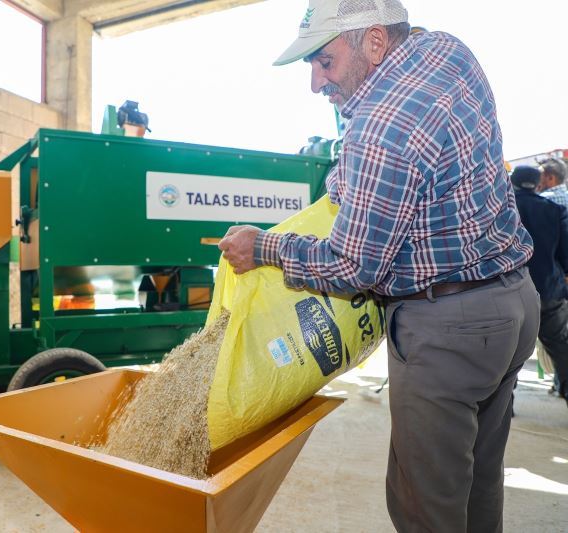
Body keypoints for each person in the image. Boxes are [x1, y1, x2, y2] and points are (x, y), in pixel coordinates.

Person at [218, 1, 539, 531]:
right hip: (513, 303)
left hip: (449, 329)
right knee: (479, 482)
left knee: (424, 505)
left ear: (373, 42)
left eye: (325, 62)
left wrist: (264, 249)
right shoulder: (446, 49)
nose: (317, 84)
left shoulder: (381, 126)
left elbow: (353, 266)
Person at [511, 165, 568, 406]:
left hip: (510, 291)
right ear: (538, 183)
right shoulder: (555, 210)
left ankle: (505, 405)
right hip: (548, 291)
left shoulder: (504, 208)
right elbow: (565, 256)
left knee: (508, 352)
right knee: (560, 347)